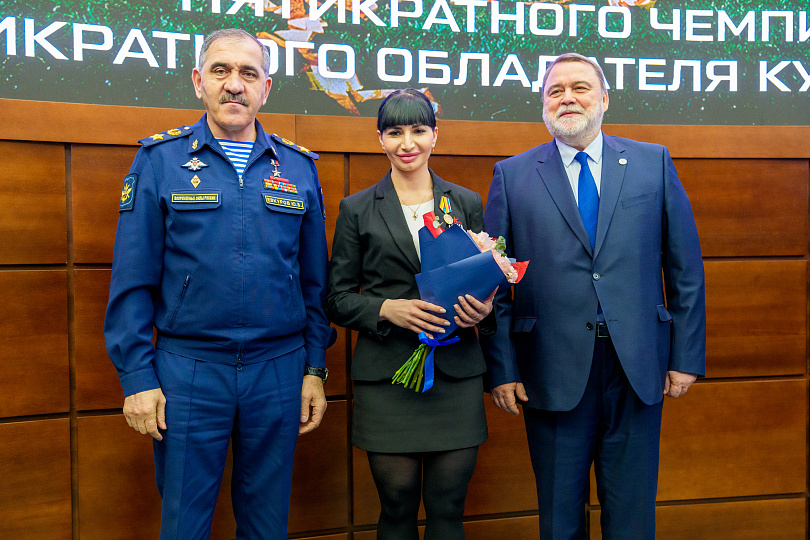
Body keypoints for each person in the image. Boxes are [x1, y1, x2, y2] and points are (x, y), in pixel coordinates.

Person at [104, 28, 335, 539]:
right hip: (188, 370)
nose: (234, 84)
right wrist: (137, 377)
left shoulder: (297, 168)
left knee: (267, 524)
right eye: (221, 71)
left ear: (265, 88)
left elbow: (315, 283)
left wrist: (314, 368)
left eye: (249, 73)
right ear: (198, 81)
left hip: (278, 368)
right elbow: (132, 280)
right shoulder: (159, 160)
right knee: (184, 524)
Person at [481, 53, 706, 539]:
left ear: (604, 99)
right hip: (550, 368)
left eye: (580, 88)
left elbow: (684, 268)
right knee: (560, 521)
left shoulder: (653, 162)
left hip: (637, 366)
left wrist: (685, 356)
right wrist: (502, 368)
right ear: (543, 105)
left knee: (632, 519)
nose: (567, 98)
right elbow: (495, 283)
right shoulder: (512, 175)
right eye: (555, 91)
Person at [325, 89, 494, 540]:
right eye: (395, 132)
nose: (407, 143)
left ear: (435, 135)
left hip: (455, 373)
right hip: (387, 377)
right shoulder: (357, 208)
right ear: (379, 139)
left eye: (418, 130)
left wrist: (483, 310)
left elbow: (486, 281)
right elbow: (336, 298)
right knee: (397, 502)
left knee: (448, 504)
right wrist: (387, 309)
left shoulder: (465, 202)